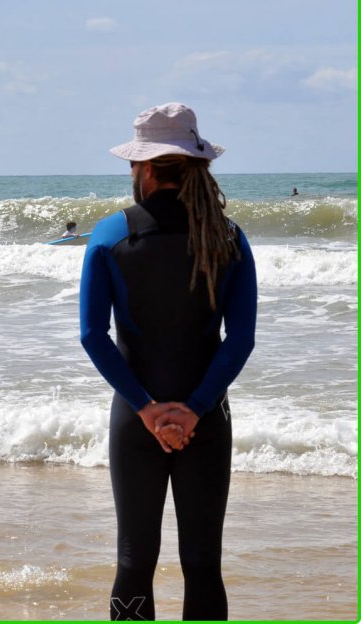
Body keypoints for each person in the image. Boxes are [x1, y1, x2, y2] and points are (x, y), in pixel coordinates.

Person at [79, 102, 257, 621]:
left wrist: (148, 409)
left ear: (149, 168)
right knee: (203, 565)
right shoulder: (229, 237)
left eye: (134, 164)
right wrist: (196, 408)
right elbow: (240, 339)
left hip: (136, 420)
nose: (132, 173)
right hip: (207, 420)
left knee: (135, 561)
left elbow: (94, 336)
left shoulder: (112, 236)